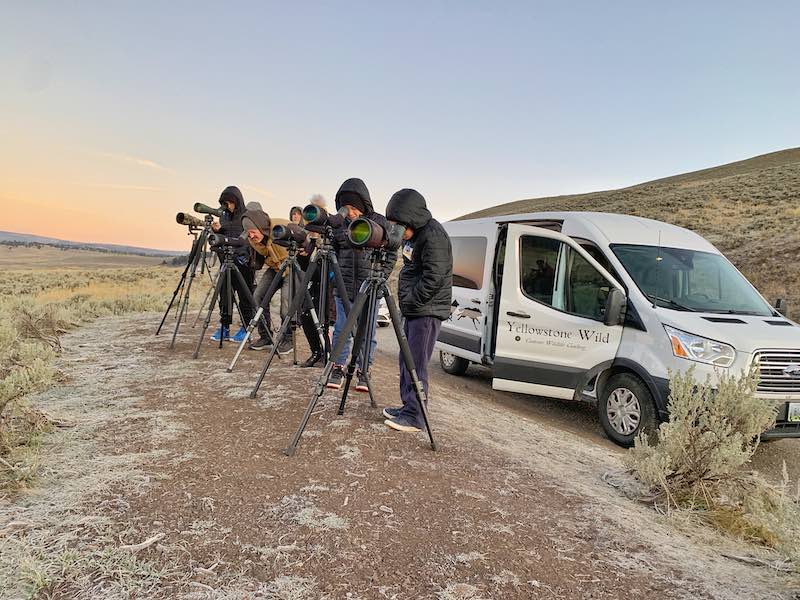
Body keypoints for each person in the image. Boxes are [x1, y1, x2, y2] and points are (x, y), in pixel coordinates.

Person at [382, 189, 452, 433]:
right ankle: (407, 407)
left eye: (399, 226)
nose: (398, 232)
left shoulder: (433, 235)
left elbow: (435, 277)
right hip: (415, 309)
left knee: (417, 363)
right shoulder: (416, 236)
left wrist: (411, 300)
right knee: (406, 358)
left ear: (409, 219)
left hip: (426, 311)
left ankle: (416, 416)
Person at [326, 178, 396, 391]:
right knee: (341, 330)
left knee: (367, 333)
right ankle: (337, 367)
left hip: (370, 287)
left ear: (364, 204)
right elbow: (334, 251)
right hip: (344, 286)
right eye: (346, 208)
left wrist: (381, 275)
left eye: (354, 208)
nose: (351, 213)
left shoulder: (380, 222)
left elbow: (392, 251)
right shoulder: (339, 224)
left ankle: (364, 369)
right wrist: (333, 275)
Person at [210, 186, 256, 343]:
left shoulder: (246, 216)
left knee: (245, 297)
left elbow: (248, 239)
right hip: (226, 261)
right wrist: (217, 231)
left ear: (236, 201)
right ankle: (225, 327)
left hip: (244, 263)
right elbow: (224, 237)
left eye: (229, 202)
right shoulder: (223, 217)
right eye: (224, 202)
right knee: (225, 296)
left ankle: (246, 327)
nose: (227, 205)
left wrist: (242, 255)